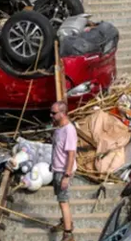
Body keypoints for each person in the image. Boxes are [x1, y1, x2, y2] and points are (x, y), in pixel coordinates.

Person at [50, 101, 77, 241]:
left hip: (63, 171)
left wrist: (67, 175)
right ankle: (66, 222)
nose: (51, 115)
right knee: (61, 200)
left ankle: (68, 233)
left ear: (62, 113)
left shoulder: (69, 130)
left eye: (54, 113)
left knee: (63, 201)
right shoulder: (58, 129)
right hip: (57, 170)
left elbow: (71, 154)